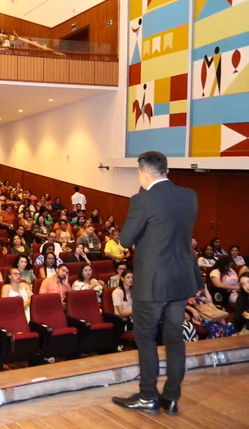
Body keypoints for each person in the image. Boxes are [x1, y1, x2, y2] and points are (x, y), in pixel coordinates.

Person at [112, 151, 201, 416]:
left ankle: (148, 395)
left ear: (143, 172)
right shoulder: (189, 196)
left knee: (146, 338)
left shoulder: (143, 199)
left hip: (152, 283)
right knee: (174, 338)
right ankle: (172, 397)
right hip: (180, 280)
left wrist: (142, 197)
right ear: (166, 170)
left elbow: (126, 240)